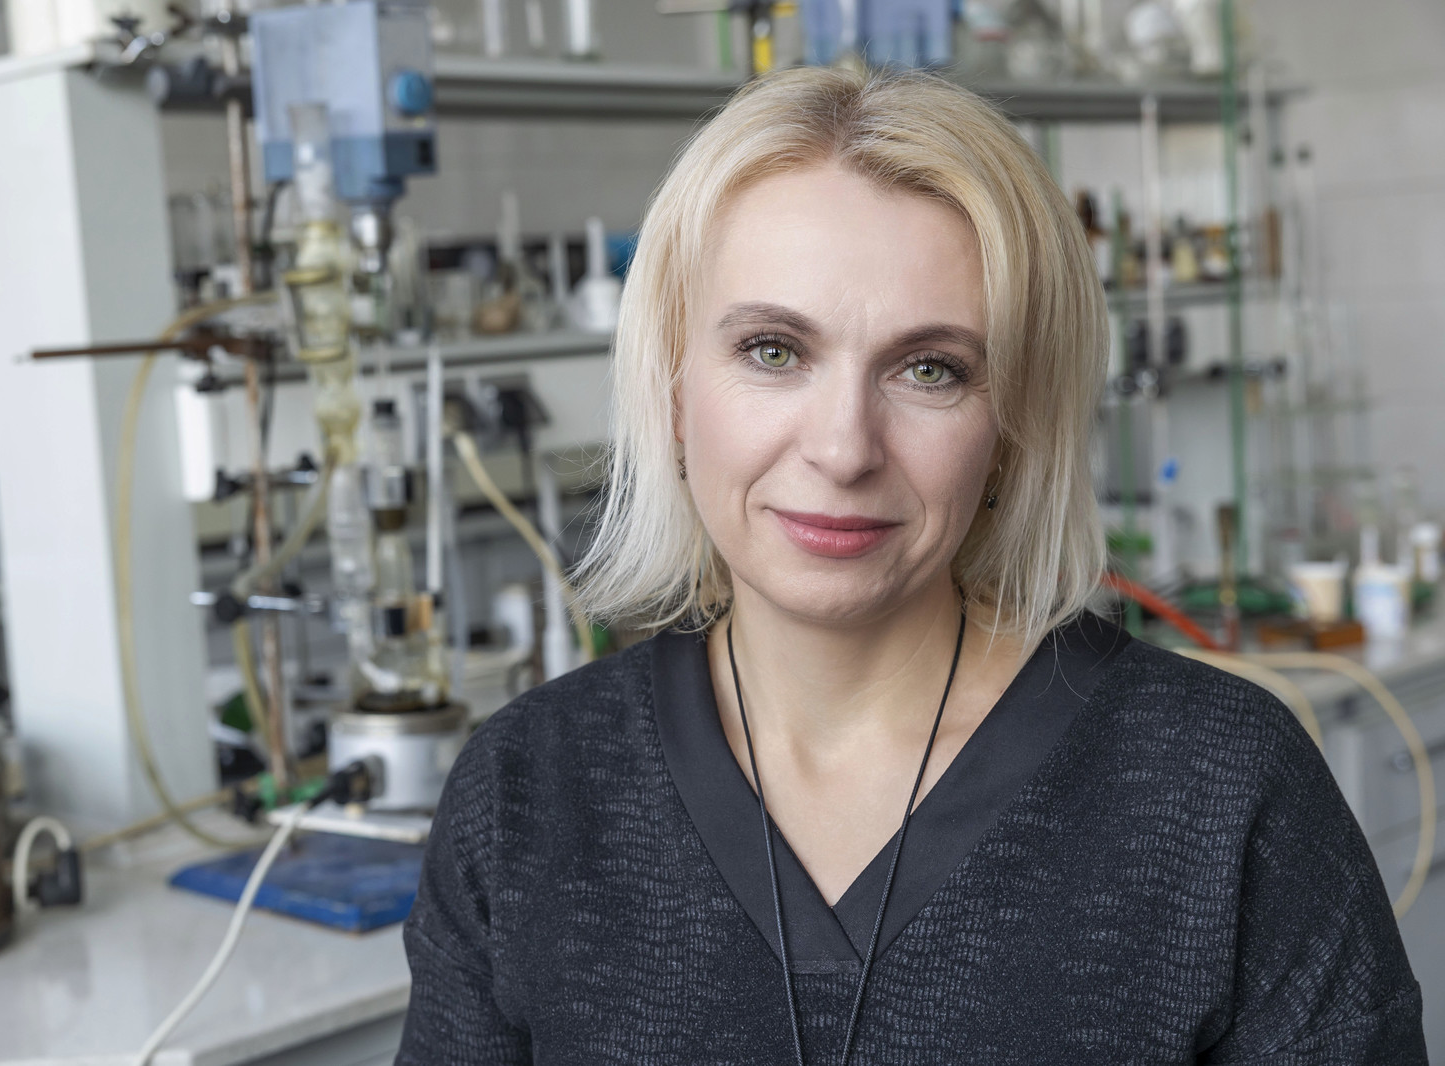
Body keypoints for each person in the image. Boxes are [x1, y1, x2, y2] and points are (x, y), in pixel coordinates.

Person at [395, 66, 1425, 1064]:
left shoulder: (1221, 789)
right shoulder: (525, 793)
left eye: (930, 369)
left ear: (1013, 429)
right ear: (669, 388)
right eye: (772, 350)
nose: (843, 448)